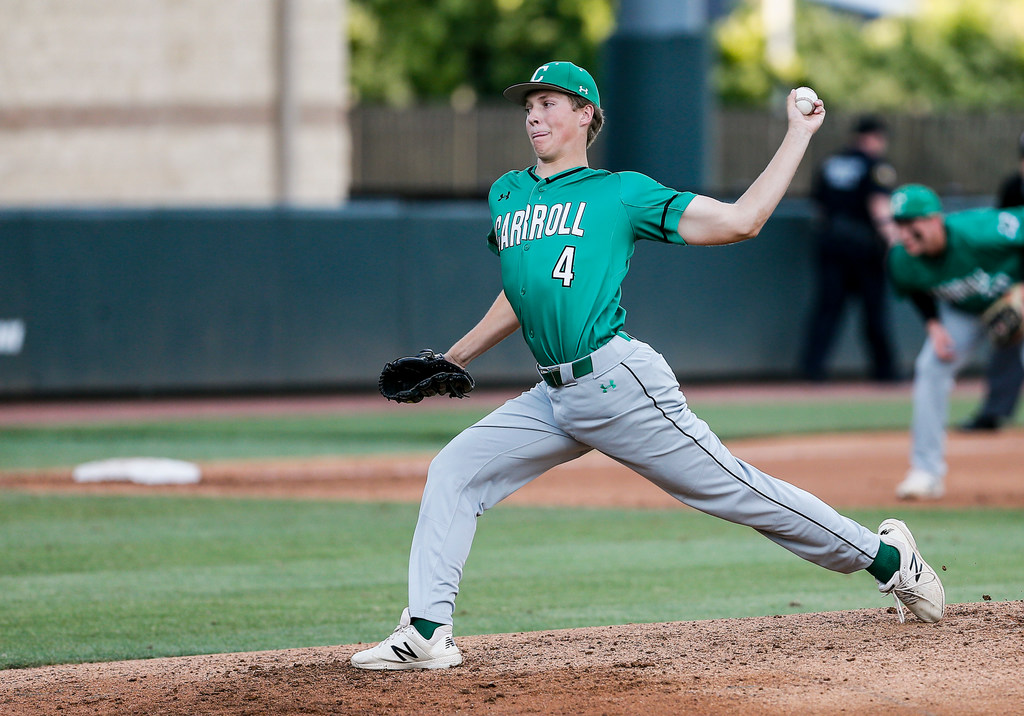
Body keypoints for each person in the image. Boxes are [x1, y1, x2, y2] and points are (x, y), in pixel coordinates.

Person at [350, 62, 945, 671]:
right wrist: (453, 358)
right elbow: (520, 289)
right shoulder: (509, 192)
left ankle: (888, 560)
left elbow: (743, 222)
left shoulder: (620, 192)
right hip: (553, 397)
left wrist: (798, 132)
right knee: (455, 471)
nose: (534, 113)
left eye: (550, 102)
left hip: (618, 384)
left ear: (586, 115)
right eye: (529, 104)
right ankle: (427, 630)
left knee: (738, 493)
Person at [888, 184, 1024, 499]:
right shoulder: (901, 259)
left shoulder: (981, 231)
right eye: (898, 225)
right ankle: (925, 473)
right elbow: (915, 288)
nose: (904, 233)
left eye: (911, 224)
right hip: (963, 312)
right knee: (931, 367)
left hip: (1014, 295)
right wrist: (933, 325)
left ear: (935, 220)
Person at [799, 115, 900, 383]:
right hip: (864, 247)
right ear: (874, 137)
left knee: (827, 309)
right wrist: (894, 242)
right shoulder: (875, 164)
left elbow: (819, 208)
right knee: (874, 311)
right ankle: (885, 372)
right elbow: (879, 205)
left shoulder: (830, 163)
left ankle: (812, 370)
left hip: (831, 244)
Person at [957, 130, 1024, 432]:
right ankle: (995, 411)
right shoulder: (1014, 188)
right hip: (1017, 278)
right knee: (1007, 332)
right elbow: (1000, 238)